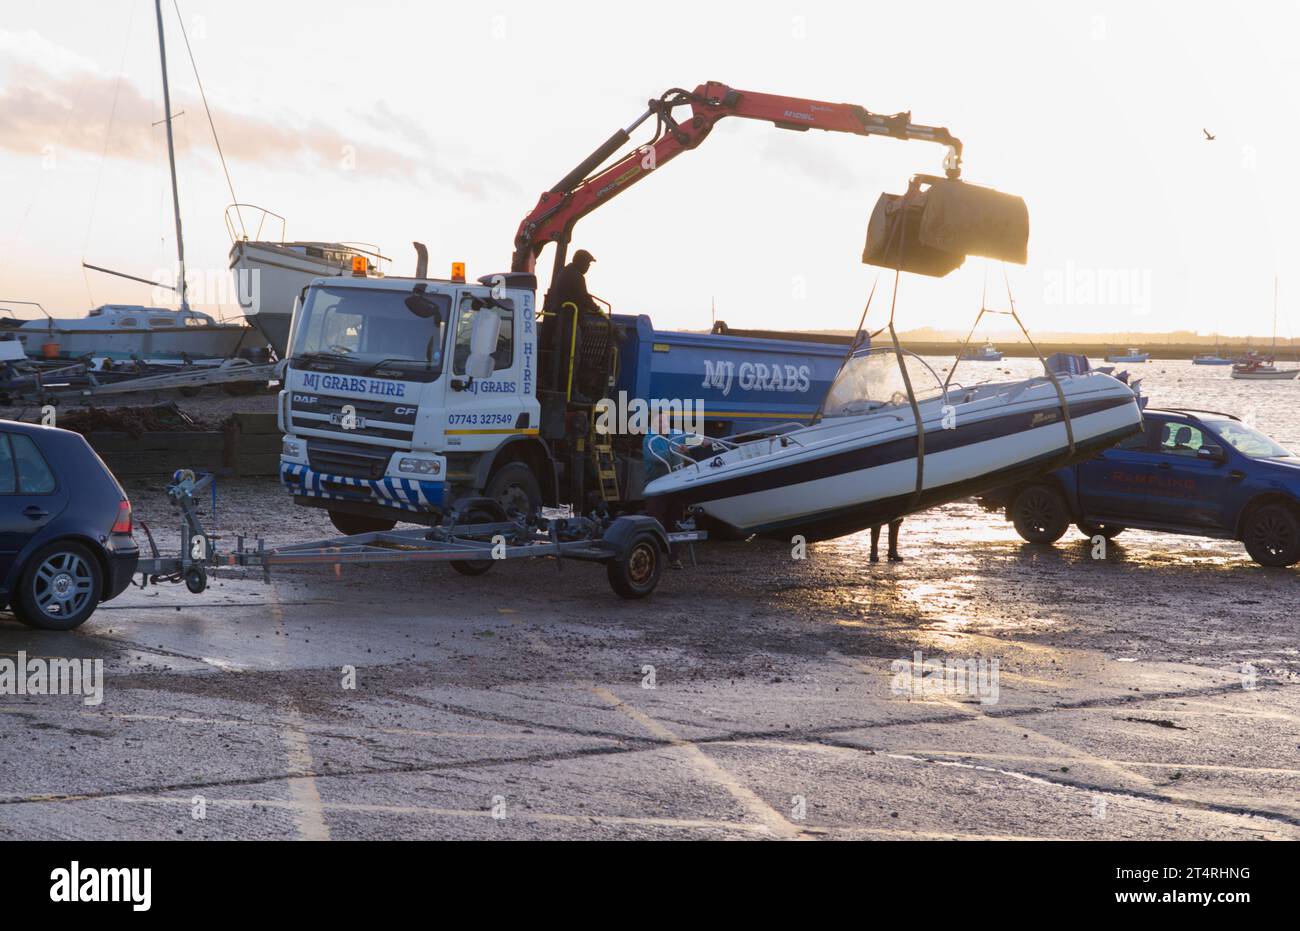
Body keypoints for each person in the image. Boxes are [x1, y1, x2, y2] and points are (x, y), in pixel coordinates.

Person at [545, 249, 599, 400]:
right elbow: (584, 297)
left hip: (562, 322)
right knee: (572, 357)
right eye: (587, 263)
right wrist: (598, 310)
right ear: (579, 261)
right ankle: (571, 392)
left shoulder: (565, 272)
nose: (588, 267)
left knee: (563, 356)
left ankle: (563, 386)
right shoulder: (576, 276)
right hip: (569, 322)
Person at [643, 411, 692, 568]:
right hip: (657, 487)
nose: (664, 426)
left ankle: (674, 557)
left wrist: (702, 441)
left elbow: (691, 439)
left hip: (676, 485)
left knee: (676, 520)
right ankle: (653, 558)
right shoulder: (649, 440)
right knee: (656, 523)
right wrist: (675, 451)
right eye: (660, 423)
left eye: (665, 422)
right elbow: (656, 459)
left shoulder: (675, 435)